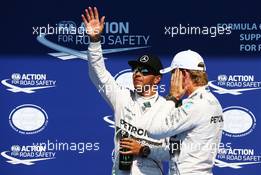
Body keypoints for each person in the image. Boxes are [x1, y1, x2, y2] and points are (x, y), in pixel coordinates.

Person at [82, 7, 170, 175]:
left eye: (144, 71)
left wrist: (144, 150)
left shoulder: (168, 107)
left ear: (157, 79)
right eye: (135, 69)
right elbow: (98, 74)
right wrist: (94, 41)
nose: (137, 73)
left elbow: (175, 151)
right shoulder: (122, 97)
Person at [144, 50, 224, 175]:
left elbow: (154, 131)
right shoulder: (212, 101)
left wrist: (172, 97)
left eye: (172, 73)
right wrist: (145, 150)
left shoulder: (195, 105)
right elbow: (178, 152)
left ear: (184, 74)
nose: (171, 79)